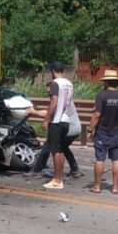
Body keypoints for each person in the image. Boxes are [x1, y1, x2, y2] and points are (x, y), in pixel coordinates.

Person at [25, 84, 82, 178]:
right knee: (63, 147)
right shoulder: (65, 100)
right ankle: (75, 169)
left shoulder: (58, 101)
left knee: (48, 146)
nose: (48, 93)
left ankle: (37, 170)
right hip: (76, 128)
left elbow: (48, 113)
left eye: (50, 92)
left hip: (69, 129)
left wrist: (33, 112)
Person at [42, 62, 76, 191]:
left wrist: (46, 119)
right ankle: (58, 178)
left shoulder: (54, 83)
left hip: (56, 121)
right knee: (61, 150)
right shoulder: (69, 83)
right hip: (66, 120)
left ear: (53, 70)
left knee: (55, 150)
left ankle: (57, 180)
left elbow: (54, 102)